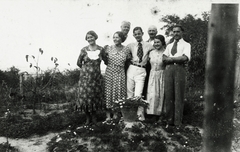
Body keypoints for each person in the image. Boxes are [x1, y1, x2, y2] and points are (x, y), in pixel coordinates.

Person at [162, 25, 191, 126]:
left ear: (182, 33)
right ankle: (169, 121)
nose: (176, 34)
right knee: (169, 94)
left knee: (179, 95)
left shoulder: (186, 45)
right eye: (174, 32)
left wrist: (171, 59)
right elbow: (164, 58)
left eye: (178, 32)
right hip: (169, 70)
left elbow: (184, 58)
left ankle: (178, 122)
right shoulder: (169, 45)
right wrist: (172, 59)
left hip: (179, 69)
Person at [76, 30, 104, 125]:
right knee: (85, 97)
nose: (90, 39)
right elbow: (79, 62)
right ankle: (87, 118)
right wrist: (86, 70)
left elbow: (106, 60)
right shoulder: (84, 50)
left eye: (91, 37)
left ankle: (94, 117)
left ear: (95, 37)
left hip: (96, 79)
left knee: (94, 97)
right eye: (88, 37)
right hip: (85, 79)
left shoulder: (101, 49)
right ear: (86, 39)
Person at [127, 27, 154, 121]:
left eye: (139, 33)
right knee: (129, 92)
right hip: (132, 68)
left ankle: (140, 114)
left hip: (142, 69)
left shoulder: (149, 45)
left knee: (138, 93)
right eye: (135, 34)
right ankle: (129, 114)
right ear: (133, 35)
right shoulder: (130, 45)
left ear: (142, 33)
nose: (137, 35)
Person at [103, 31, 132, 121]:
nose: (115, 39)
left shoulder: (126, 49)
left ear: (122, 38)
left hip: (120, 73)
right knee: (109, 93)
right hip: (110, 72)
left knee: (119, 92)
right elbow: (104, 59)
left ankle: (116, 113)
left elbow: (128, 62)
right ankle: (108, 115)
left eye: (117, 37)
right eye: (114, 37)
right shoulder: (108, 48)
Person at [146, 35, 166, 121]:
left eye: (158, 42)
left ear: (162, 43)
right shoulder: (151, 53)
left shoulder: (166, 52)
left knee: (160, 94)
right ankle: (151, 114)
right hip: (152, 75)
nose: (156, 44)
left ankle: (159, 115)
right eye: (155, 42)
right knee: (152, 94)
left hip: (162, 75)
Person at [142, 25, 158, 100]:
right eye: (150, 31)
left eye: (153, 31)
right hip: (147, 66)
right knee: (146, 84)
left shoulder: (158, 42)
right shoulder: (145, 43)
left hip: (156, 66)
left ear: (156, 32)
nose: (151, 32)